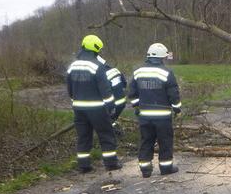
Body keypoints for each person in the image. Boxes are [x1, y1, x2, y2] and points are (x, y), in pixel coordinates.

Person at [66, 35, 121, 173]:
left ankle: (84, 166)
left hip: (79, 108)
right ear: (96, 49)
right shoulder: (98, 66)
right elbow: (105, 90)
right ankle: (111, 163)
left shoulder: (72, 66)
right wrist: (111, 107)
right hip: (97, 109)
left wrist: (75, 102)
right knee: (106, 135)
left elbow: (70, 89)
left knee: (83, 136)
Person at [129, 43, 181, 178]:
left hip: (145, 116)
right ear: (161, 58)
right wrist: (177, 109)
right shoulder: (166, 72)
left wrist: (137, 107)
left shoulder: (138, 72)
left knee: (146, 141)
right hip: (162, 117)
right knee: (165, 142)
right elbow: (173, 94)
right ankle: (166, 168)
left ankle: (145, 170)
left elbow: (133, 94)